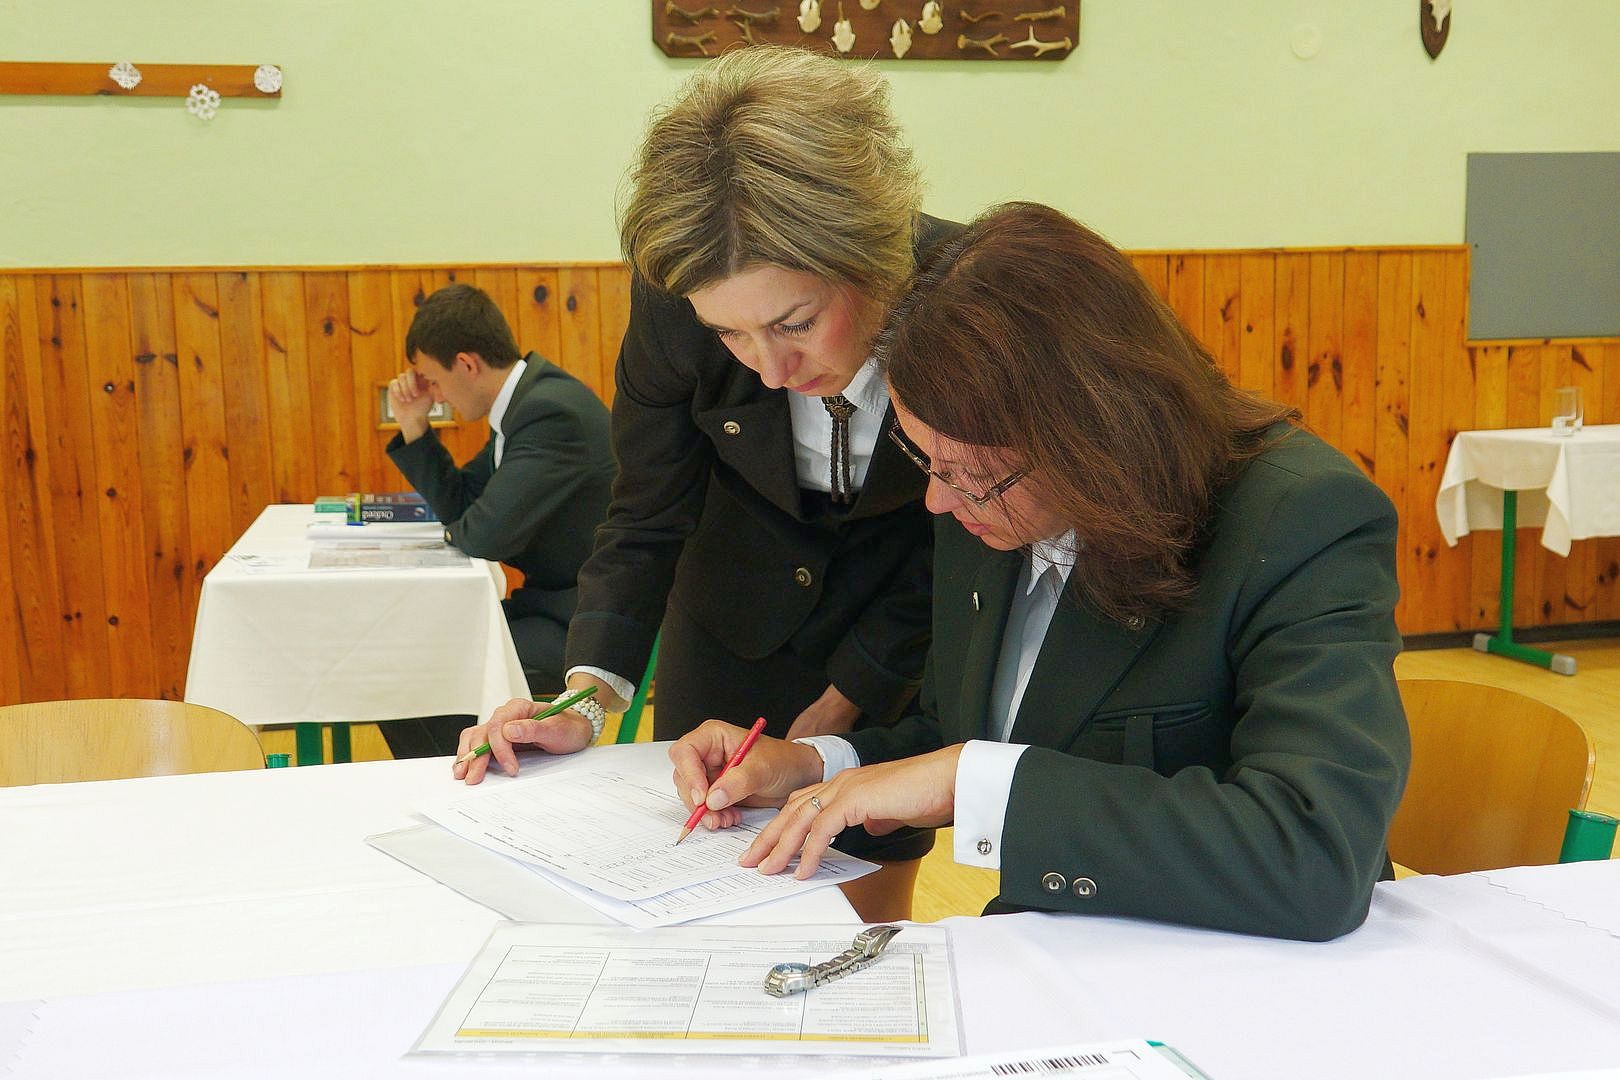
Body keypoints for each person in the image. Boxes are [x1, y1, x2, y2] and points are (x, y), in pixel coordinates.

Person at [669, 202, 1412, 942]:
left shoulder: (1301, 518)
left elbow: (1315, 855)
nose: (937, 500)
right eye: (925, 462)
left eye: (969, 477)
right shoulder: (989, 502)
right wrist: (812, 766)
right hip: (1067, 951)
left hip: (1238, 971)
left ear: (1096, 434)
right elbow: (967, 729)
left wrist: (971, 780)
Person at [452, 47, 950, 922]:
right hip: (727, 616)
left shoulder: (959, 293)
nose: (769, 368)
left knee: (864, 920)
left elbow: (963, 532)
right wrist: (587, 699)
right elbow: (646, 509)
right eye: (730, 336)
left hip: (904, 621)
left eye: (795, 323)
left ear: (875, 260)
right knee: (702, 905)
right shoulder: (673, 296)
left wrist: (859, 691)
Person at [383, 283, 614, 757]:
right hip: (554, 606)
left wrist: (462, 527)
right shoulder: (527, 403)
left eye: (433, 380)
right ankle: (464, 778)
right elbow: (465, 502)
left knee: (413, 673)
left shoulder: (549, 413)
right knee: (404, 660)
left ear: (466, 364)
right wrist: (413, 425)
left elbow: (482, 534)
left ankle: (468, 783)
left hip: (584, 622)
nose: (434, 394)